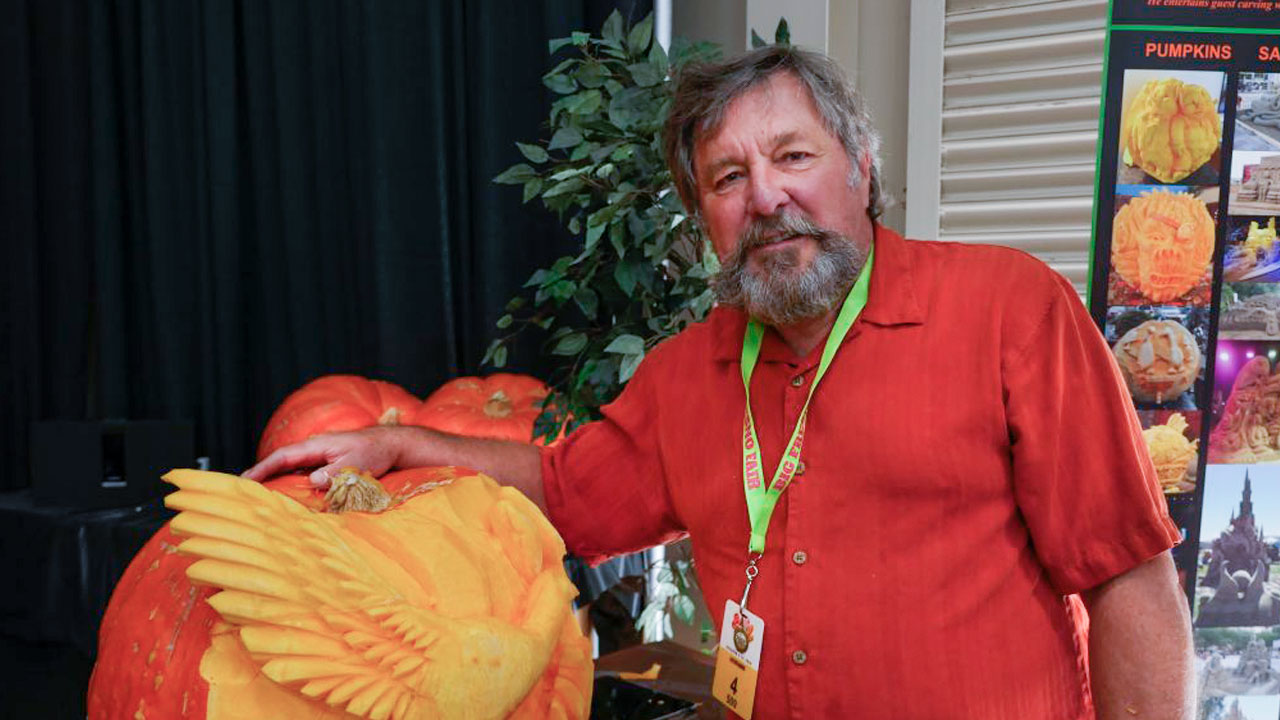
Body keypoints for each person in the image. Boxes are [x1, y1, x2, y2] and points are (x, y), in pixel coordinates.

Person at [246, 46, 1194, 719]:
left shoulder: (1009, 311)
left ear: (861, 170)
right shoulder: (686, 374)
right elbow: (565, 493)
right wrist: (404, 441)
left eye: (793, 156)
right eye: (727, 177)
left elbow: (1128, 578)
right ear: (705, 216)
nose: (766, 197)